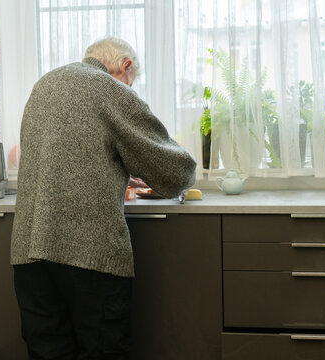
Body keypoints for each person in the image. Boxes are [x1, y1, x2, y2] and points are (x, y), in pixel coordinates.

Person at [10, 36, 196, 360]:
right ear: (125, 67)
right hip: (89, 257)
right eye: (131, 81)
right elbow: (175, 173)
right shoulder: (110, 88)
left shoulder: (44, 85)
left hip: (29, 254)